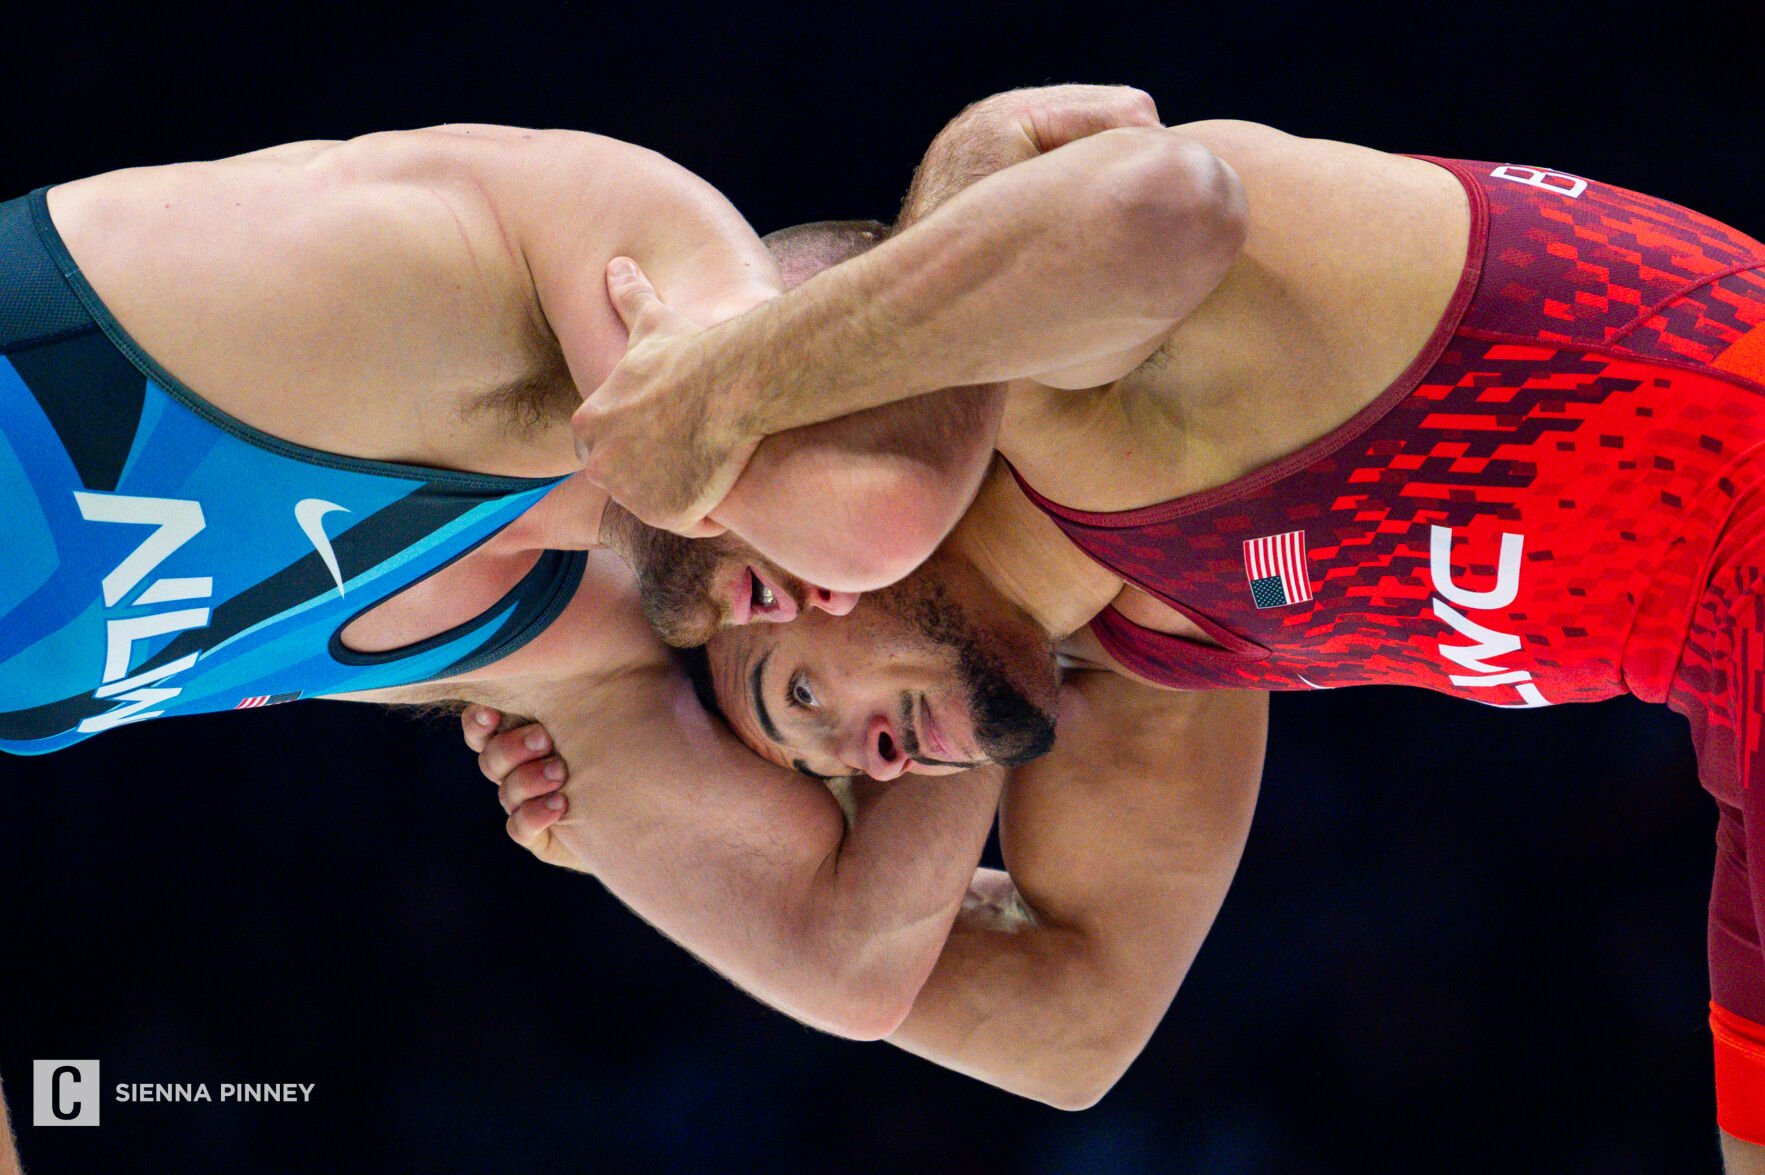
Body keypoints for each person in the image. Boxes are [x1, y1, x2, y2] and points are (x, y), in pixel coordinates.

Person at [549, 85, 1765, 1165]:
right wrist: (641, 816)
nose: (863, 760)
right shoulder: (1153, 652)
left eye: (799, 692)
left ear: (818, 522)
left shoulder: (1068, 393)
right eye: (828, 767)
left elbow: (1161, 197)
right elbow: (1074, 1024)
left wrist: (727, 386)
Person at [0, 122, 1006, 1167]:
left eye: (797, 703)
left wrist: (1006, 611)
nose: (830, 568)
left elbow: (854, 963)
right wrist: (976, 204)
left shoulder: (557, 641)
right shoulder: (530, 252)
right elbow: (745, 383)